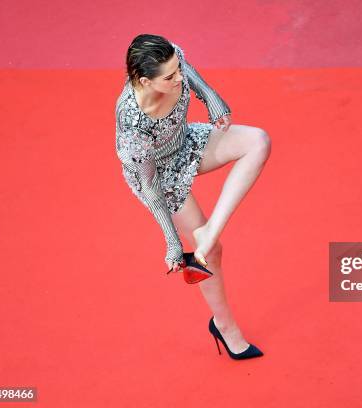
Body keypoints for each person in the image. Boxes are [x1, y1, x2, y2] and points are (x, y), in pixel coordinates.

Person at [115, 34, 271, 359]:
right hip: (159, 177)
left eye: (177, 69)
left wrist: (216, 106)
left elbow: (196, 80)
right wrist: (173, 244)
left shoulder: (174, 60)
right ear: (144, 81)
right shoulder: (132, 124)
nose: (179, 77)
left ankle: (208, 235)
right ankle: (225, 326)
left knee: (257, 141)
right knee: (211, 255)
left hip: (186, 142)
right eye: (170, 77)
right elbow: (151, 190)